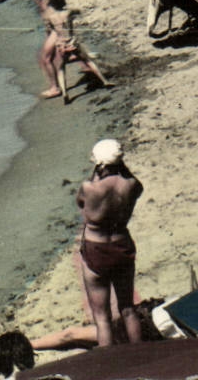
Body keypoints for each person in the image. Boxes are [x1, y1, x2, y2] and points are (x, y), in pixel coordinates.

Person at [77, 139, 144, 346]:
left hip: (96, 248)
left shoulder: (89, 188)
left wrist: (96, 175)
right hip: (121, 244)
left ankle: (108, 366)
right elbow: (135, 186)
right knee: (128, 309)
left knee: (102, 318)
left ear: (99, 164)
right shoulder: (132, 185)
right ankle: (141, 357)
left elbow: (81, 204)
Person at [45, 0, 110, 104]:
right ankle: (105, 81)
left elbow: (50, 31)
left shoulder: (51, 18)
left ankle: (65, 93)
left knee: (61, 69)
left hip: (61, 44)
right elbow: (78, 11)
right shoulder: (68, 13)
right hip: (72, 41)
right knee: (88, 61)